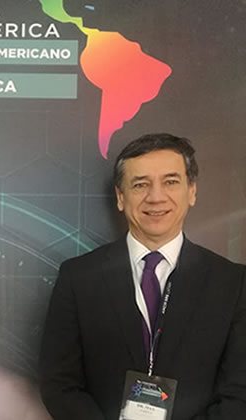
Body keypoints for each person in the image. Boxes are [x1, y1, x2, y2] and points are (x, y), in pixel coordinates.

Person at [39, 133, 246, 420]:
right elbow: (59, 383)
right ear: (120, 197)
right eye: (140, 185)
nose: (156, 197)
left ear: (192, 192)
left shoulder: (232, 283)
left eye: (170, 182)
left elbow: (239, 392)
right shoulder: (78, 277)